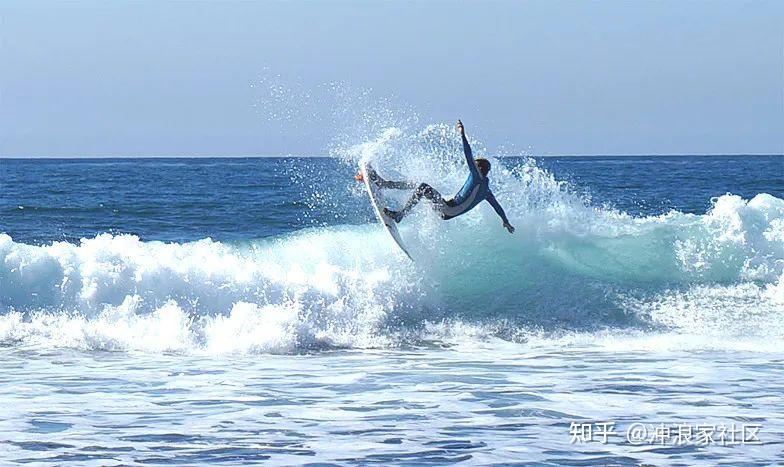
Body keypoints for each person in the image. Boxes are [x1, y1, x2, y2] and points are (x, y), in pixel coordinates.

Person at [357, 120, 515, 233]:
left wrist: (462, 134)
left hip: (447, 210)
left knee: (423, 187)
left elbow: (468, 153)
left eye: (474, 164)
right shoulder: (486, 190)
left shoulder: (476, 176)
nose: (471, 165)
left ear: (479, 167)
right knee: (418, 185)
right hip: (447, 209)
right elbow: (497, 207)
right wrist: (505, 221)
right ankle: (383, 183)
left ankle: (400, 214)